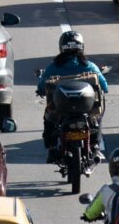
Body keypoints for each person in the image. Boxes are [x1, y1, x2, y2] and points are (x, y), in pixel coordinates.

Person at [35, 29, 108, 157]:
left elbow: (41, 87)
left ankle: (51, 147)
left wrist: (40, 91)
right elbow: (104, 86)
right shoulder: (90, 66)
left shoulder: (52, 68)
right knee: (97, 115)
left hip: (60, 110)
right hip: (87, 109)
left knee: (48, 118)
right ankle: (95, 145)